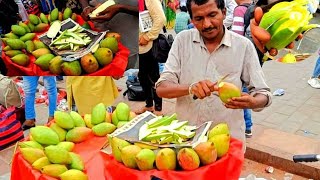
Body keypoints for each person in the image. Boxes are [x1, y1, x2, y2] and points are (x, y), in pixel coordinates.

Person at [155, 0, 272, 148]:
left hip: (226, 143)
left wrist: (254, 102)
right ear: (192, 19)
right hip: (186, 141)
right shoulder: (182, 41)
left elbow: (263, 93)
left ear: (224, 13)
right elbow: (161, 88)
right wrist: (191, 88)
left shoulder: (243, 46)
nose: (207, 24)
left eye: (212, 15)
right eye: (199, 18)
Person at [80, 0, 139, 69]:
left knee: (123, 70)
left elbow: (150, 10)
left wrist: (121, 8)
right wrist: (86, 7)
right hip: (95, 32)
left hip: (127, 35)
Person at [138, 0, 166, 116]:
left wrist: (148, 36)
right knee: (142, 77)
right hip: (139, 48)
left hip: (148, 46)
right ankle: (149, 105)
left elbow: (161, 19)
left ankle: (158, 109)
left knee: (153, 78)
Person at [231, 0, 255, 137]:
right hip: (253, 57)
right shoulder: (255, 8)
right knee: (246, 91)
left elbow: (236, 37)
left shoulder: (239, 10)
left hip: (240, 59)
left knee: (240, 93)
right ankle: (248, 126)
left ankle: (247, 125)